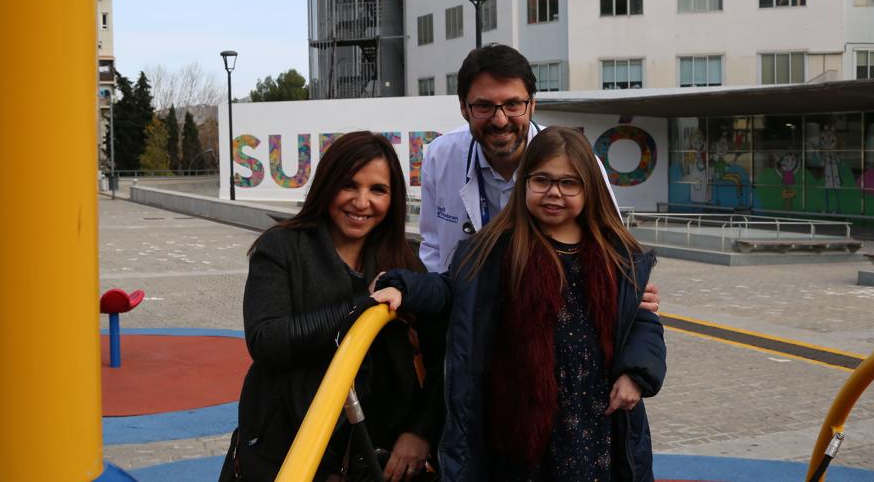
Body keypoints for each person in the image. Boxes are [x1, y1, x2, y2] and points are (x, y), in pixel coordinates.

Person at [374, 126, 666, 481]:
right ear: (524, 183)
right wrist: (402, 287)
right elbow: (450, 291)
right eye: (541, 180)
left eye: (569, 183)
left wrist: (636, 373)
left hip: (597, 421)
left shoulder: (615, 255)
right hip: (521, 424)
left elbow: (641, 323)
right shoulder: (497, 249)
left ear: (589, 188)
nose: (554, 193)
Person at [223, 131, 441, 482]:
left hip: (376, 457)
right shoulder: (281, 247)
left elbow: (438, 356)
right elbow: (266, 339)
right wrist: (362, 306)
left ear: (394, 197)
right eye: (349, 185)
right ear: (326, 185)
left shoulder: (405, 262)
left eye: (378, 190)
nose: (361, 202)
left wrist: (420, 430)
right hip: (287, 449)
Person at [418, 44, 659, 311]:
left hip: (549, 316)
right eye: (484, 106)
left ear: (532, 104)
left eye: (513, 104)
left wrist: (628, 292)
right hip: (466, 315)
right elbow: (433, 247)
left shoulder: (577, 162)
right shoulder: (441, 156)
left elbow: (611, 244)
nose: (500, 120)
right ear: (464, 108)